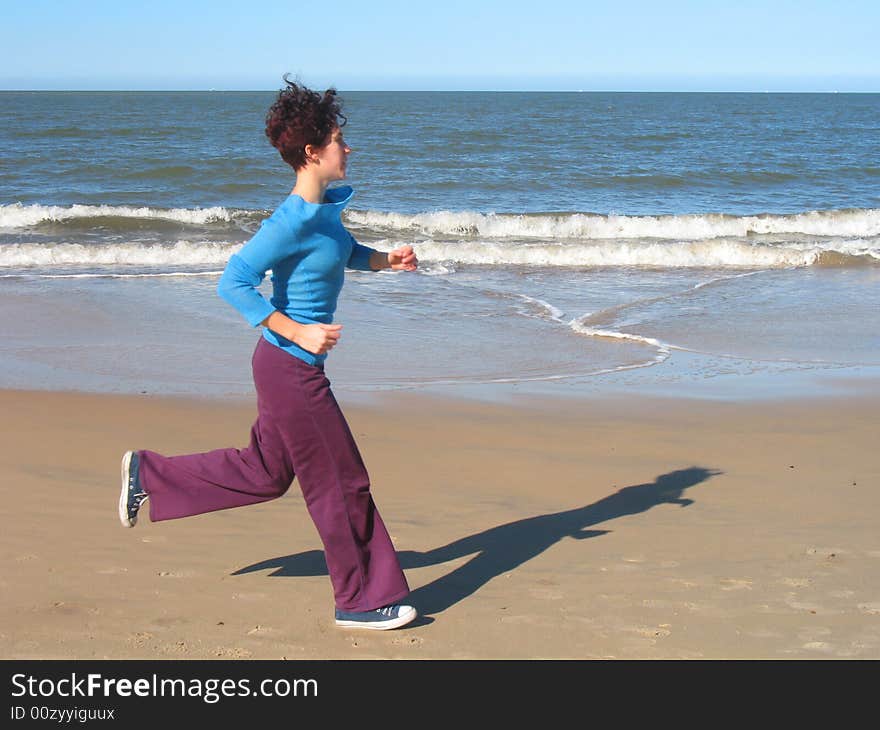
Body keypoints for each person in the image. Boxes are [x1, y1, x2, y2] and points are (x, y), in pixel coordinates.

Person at [117, 78, 419, 631]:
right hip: (291, 369)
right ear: (312, 152)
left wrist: (385, 261)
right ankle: (359, 598)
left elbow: (340, 252)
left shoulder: (323, 212)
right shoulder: (289, 221)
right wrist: (298, 332)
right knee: (341, 479)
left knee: (263, 472)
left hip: (285, 367)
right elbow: (234, 282)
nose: (347, 148)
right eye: (337, 140)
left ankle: (149, 476)